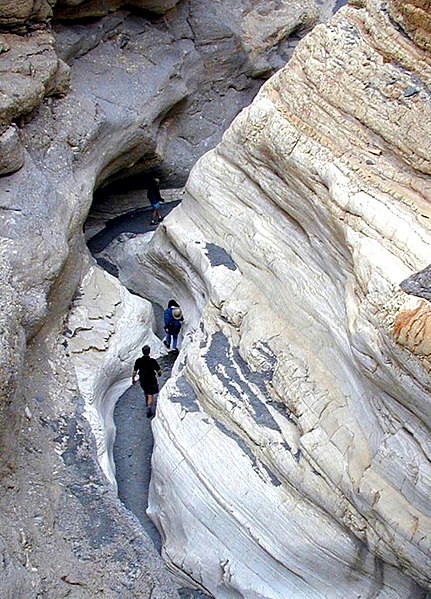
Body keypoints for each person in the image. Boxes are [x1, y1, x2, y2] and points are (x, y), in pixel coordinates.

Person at [132, 345, 162, 417]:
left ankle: (147, 401)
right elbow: (159, 370)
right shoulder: (152, 361)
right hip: (151, 379)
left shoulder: (138, 361)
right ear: (149, 352)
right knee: (150, 394)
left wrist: (133, 379)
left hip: (142, 379)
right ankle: (149, 410)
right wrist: (159, 374)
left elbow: (134, 371)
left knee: (146, 390)